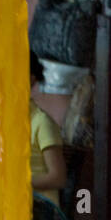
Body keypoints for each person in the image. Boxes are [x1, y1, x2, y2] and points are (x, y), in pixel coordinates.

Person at [29, 50, 67, 204]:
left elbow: (58, 178)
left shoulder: (42, 123)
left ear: (31, 79)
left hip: (40, 211)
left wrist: (19, 183)